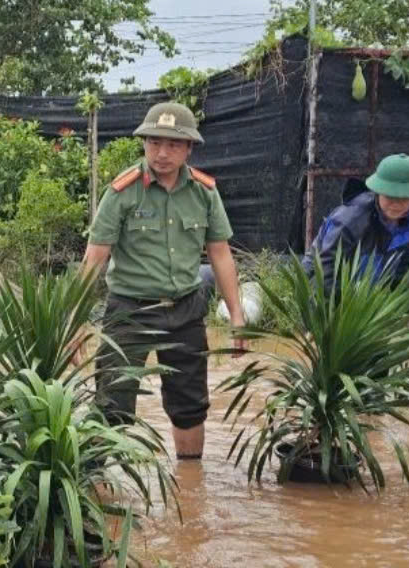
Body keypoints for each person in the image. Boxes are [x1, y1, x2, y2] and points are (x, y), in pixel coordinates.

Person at [80, 101, 245, 460]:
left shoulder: (204, 192)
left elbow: (220, 254)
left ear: (189, 148)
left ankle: (190, 484)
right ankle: (100, 491)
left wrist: (237, 318)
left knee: (190, 405)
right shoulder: (122, 191)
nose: (162, 153)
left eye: (172, 144)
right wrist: (74, 323)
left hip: (185, 309)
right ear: (144, 144)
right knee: (112, 403)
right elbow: (95, 258)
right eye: (154, 143)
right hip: (128, 312)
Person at [303, 154, 409, 295]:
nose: (397, 204)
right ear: (378, 191)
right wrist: (332, 312)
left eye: (405, 198)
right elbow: (327, 269)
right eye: (390, 196)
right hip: (323, 284)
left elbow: (407, 273)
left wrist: (406, 310)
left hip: (367, 289)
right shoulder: (350, 220)